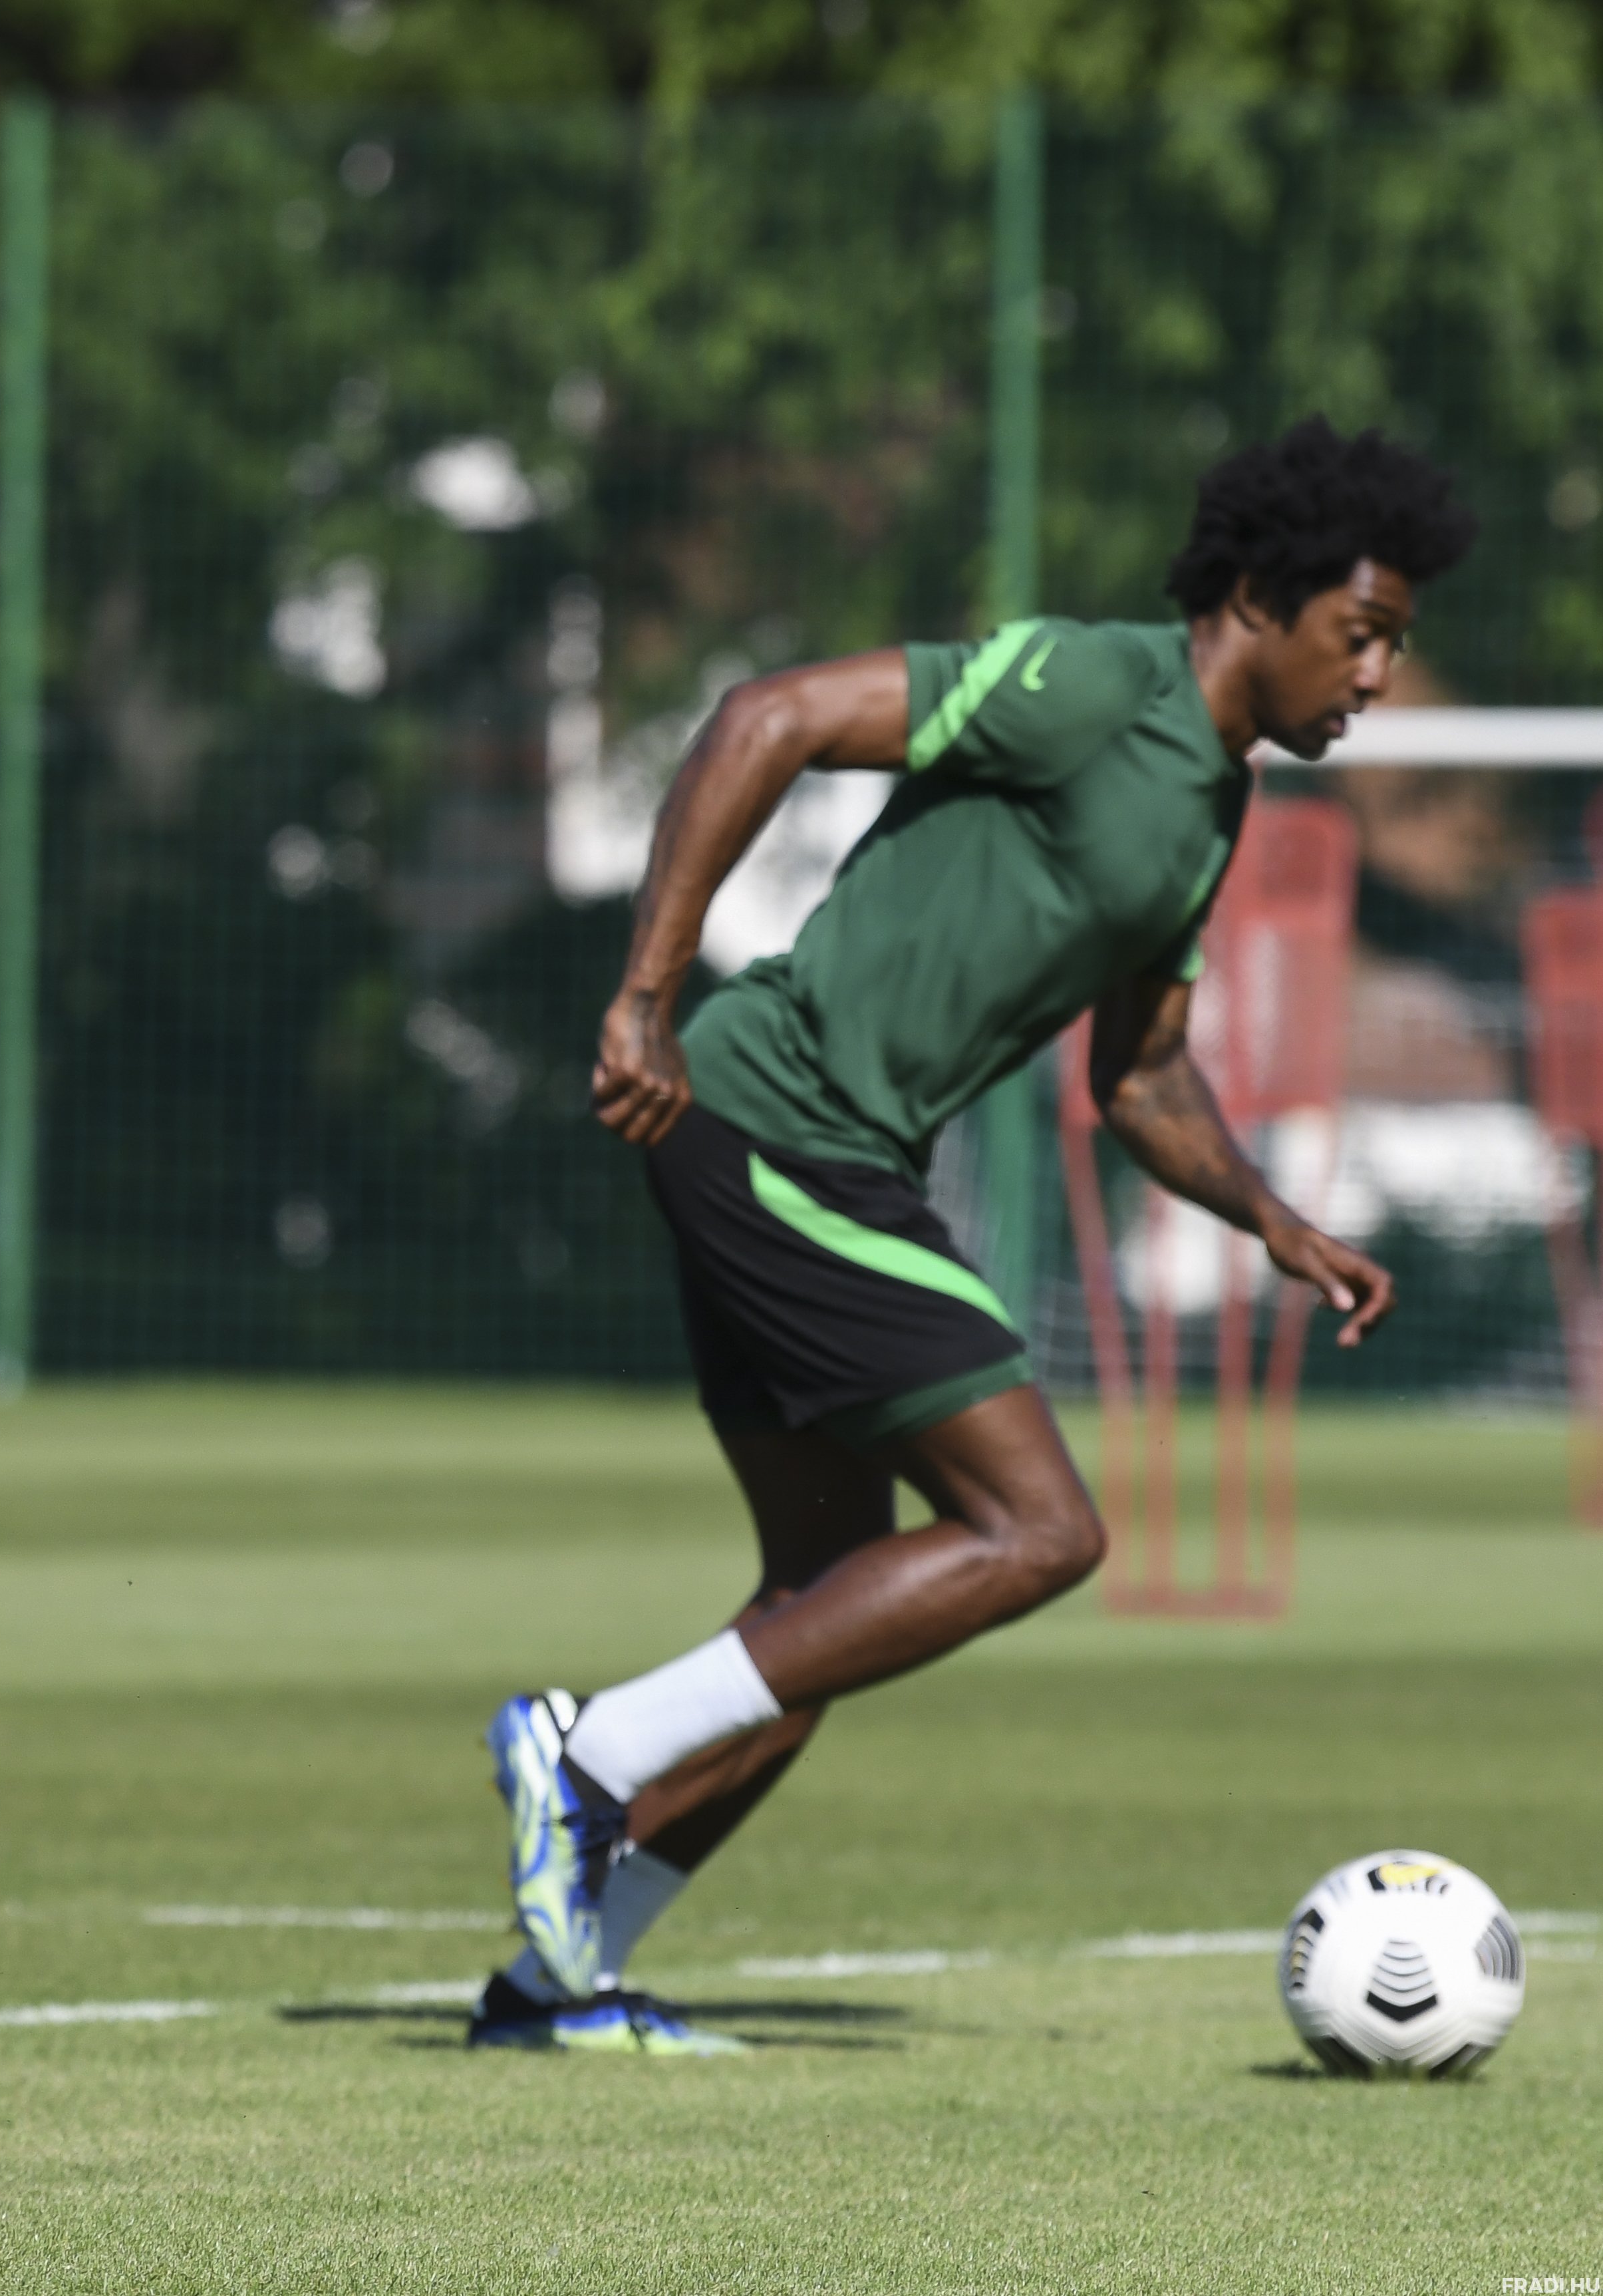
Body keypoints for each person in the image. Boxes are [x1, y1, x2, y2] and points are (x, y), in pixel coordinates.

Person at [472, 417, 1474, 2051]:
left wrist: (1275, 1218)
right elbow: (769, 713)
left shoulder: (1207, 805)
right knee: (1041, 1529)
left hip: (820, 1150)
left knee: (822, 1609)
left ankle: (550, 1984)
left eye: (1394, 646)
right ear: (1256, 600)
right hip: (776, 1121)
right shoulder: (1097, 685)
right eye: (1360, 634)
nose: (1375, 677)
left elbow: (1141, 1074)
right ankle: (586, 1751)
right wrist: (644, 994)